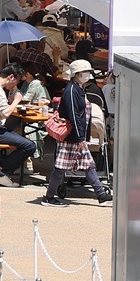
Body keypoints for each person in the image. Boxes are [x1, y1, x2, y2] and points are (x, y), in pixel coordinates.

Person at [48, 59, 111, 205]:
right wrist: (80, 137)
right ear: (77, 74)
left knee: (88, 165)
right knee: (61, 168)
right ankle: (49, 197)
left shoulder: (77, 88)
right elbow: (74, 116)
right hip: (72, 136)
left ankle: (101, 195)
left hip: (76, 136)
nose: (88, 74)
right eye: (86, 72)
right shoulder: (72, 90)